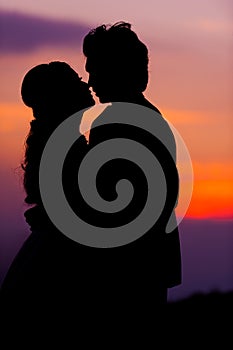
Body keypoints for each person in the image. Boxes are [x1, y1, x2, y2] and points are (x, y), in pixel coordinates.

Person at [82, 21, 182, 310]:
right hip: (146, 263)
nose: (90, 82)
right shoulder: (147, 117)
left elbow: (104, 201)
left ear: (116, 69)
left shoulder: (117, 122)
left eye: (95, 71)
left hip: (128, 266)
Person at [0, 61, 97, 334]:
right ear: (61, 96)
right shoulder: (66, 146)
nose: (86, 85)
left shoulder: (62, 141)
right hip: (58, 264)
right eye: (76, 81)